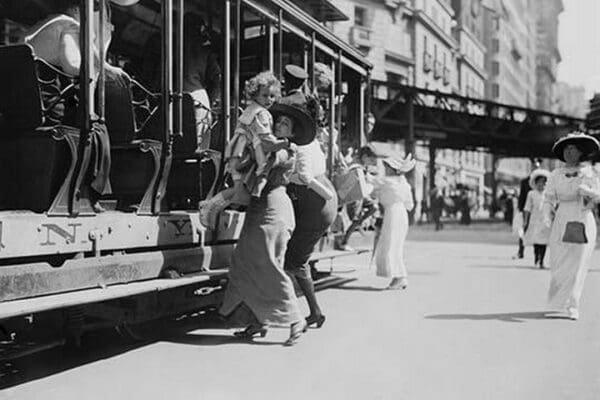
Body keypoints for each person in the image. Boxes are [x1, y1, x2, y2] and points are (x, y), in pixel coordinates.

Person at [22, 0, 139, 212]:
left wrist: (103, 64)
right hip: (48, 108)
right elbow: (73, 65)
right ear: (78, 9)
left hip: (23, 107)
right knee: (96, 128)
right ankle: (86, 194)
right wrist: (103, 70)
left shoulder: (38, 28)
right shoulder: (70, 26)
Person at [218, 89, 312, 347]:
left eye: (286, 124)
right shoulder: (269, 144)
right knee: (244, 262)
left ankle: (295, 318)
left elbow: (268, 156)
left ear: (292, 133)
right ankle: (259, 319)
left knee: (267, 264)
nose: (280, 125)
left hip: (274, 210)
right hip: (260, 208)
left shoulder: (286, 149)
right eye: (278, 121)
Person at [198, 72, 291, 228]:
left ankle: (216, 210)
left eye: (272, 96)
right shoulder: (261, 113)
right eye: (265, 95)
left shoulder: (252, 109)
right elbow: (266, 140)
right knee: (242, 192)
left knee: (241, 189)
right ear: (255, 94)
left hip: (239, 152)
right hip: (246, 155)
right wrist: (283, 144)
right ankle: (210, 206)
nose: (269, 100)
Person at [282, 120, 337, 330]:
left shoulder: (301, 144)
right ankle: (314, 312)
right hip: (318, 202)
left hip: (314, 203)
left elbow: (304, 177)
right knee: (297, 259)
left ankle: (297, 315)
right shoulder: (311, 141)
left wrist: (285, 177)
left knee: (293, 260)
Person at [543, 132, 600, 320]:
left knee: (578, 262)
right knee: (559, 260)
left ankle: (573, 305)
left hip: (582, 216)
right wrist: (546, 214)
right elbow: (549, 197)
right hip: (561, 218)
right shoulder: (555, 174)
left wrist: (589, 191)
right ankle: (558, 302)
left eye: (573, 149)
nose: (569, 152)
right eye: (566, 149)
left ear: (580, 152)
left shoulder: (589, 172)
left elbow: (598, 195)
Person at [371, 154, 415, 290]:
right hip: (402, 214)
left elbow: (371, 188)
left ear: (392, 169)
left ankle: (399, 278)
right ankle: (399, 277)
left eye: (387, 167)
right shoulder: (404, 184)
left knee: (390, 245)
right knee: (396, 245)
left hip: (392, 214)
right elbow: (410, 205)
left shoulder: (386, 181)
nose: (386, 169)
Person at [183, 13, 221, 154]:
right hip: (199, 99)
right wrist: (209, 103)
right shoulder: (205, 51)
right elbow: (217, 79)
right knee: (199, 151)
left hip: (172, 98)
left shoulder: (170, 44)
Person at [334, 145, 379, 250]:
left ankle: (359, 223)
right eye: (371, 159)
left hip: (361, 196)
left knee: (374, 207)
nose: (372, 162)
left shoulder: (361, 167)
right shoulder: (356, 167)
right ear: (364, 157)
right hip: (354, 197)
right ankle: (344, 241)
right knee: (355, 218)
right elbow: (349, 186)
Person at [522, 169, 551, 269]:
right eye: (539, 182)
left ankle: (542, 260)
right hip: (535, 219)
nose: (541, 185)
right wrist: (525, 220)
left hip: (545, 219)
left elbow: (552, 206)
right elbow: (527, 208)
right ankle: (536, 258)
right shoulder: (531, 194)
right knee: (536, 241)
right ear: (535, 183)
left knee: (543, 241)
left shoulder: (548, 194)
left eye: (543, 183)